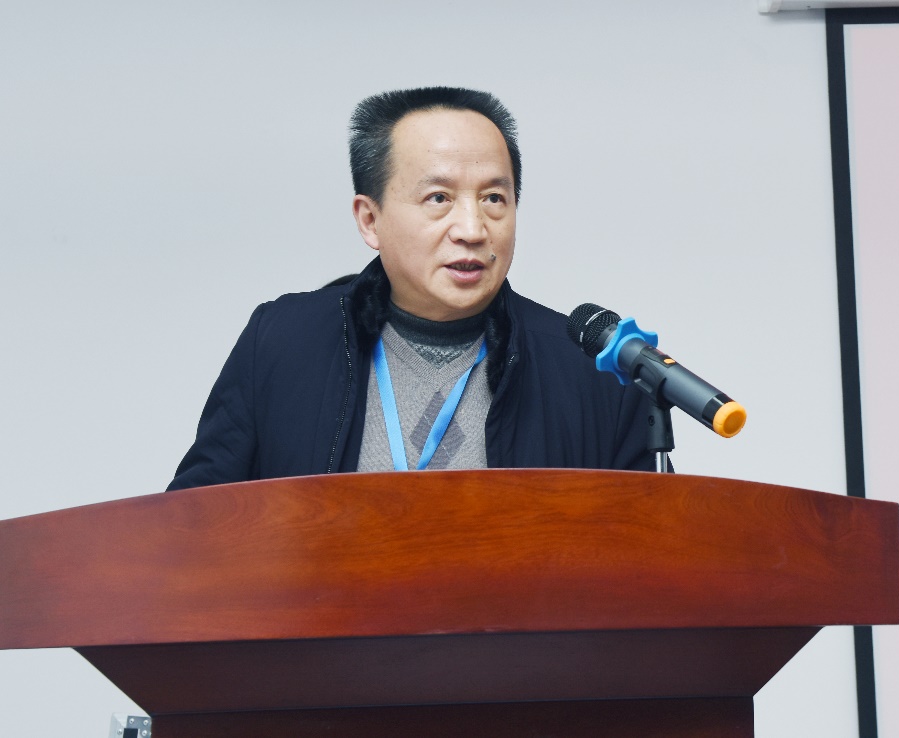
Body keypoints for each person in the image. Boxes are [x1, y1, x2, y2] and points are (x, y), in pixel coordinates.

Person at [167, 87, 656, 491]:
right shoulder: (282, 343)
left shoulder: (594, 374)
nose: (472, 228)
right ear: (370, 219)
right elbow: (192, 533)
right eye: (438, 198)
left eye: (494, 198)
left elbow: (650, 559)